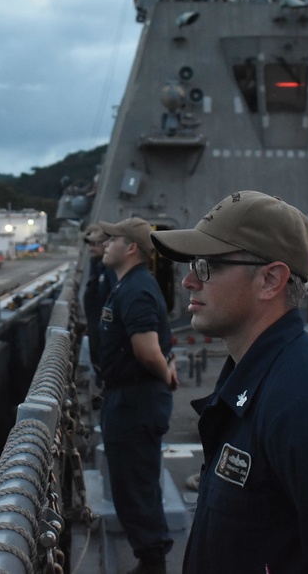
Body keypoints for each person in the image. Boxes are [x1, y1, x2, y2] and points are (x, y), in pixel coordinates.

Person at [150, 191, 308, 574]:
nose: (189, 281)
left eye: (205, 266)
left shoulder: (304, 404)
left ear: (270, 279)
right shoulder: (253, 376)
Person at [95, 216, 178, 574]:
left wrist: (167, 376)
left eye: (111, 239)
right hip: (128, 399)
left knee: (136, 486)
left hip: (135, 401)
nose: (104, 243)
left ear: (130, 248)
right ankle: (150, 556)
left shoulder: (137, 289)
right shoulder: (130, 285)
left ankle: (152, 561)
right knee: (134, 484)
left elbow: (147, 350)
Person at [81, 224, 115, 358]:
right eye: (90, 244)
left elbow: (111, 303)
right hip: (96, 329)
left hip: (104, 334)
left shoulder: (109, 269)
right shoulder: (96, 266)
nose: (91, 248)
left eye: (96, 244)